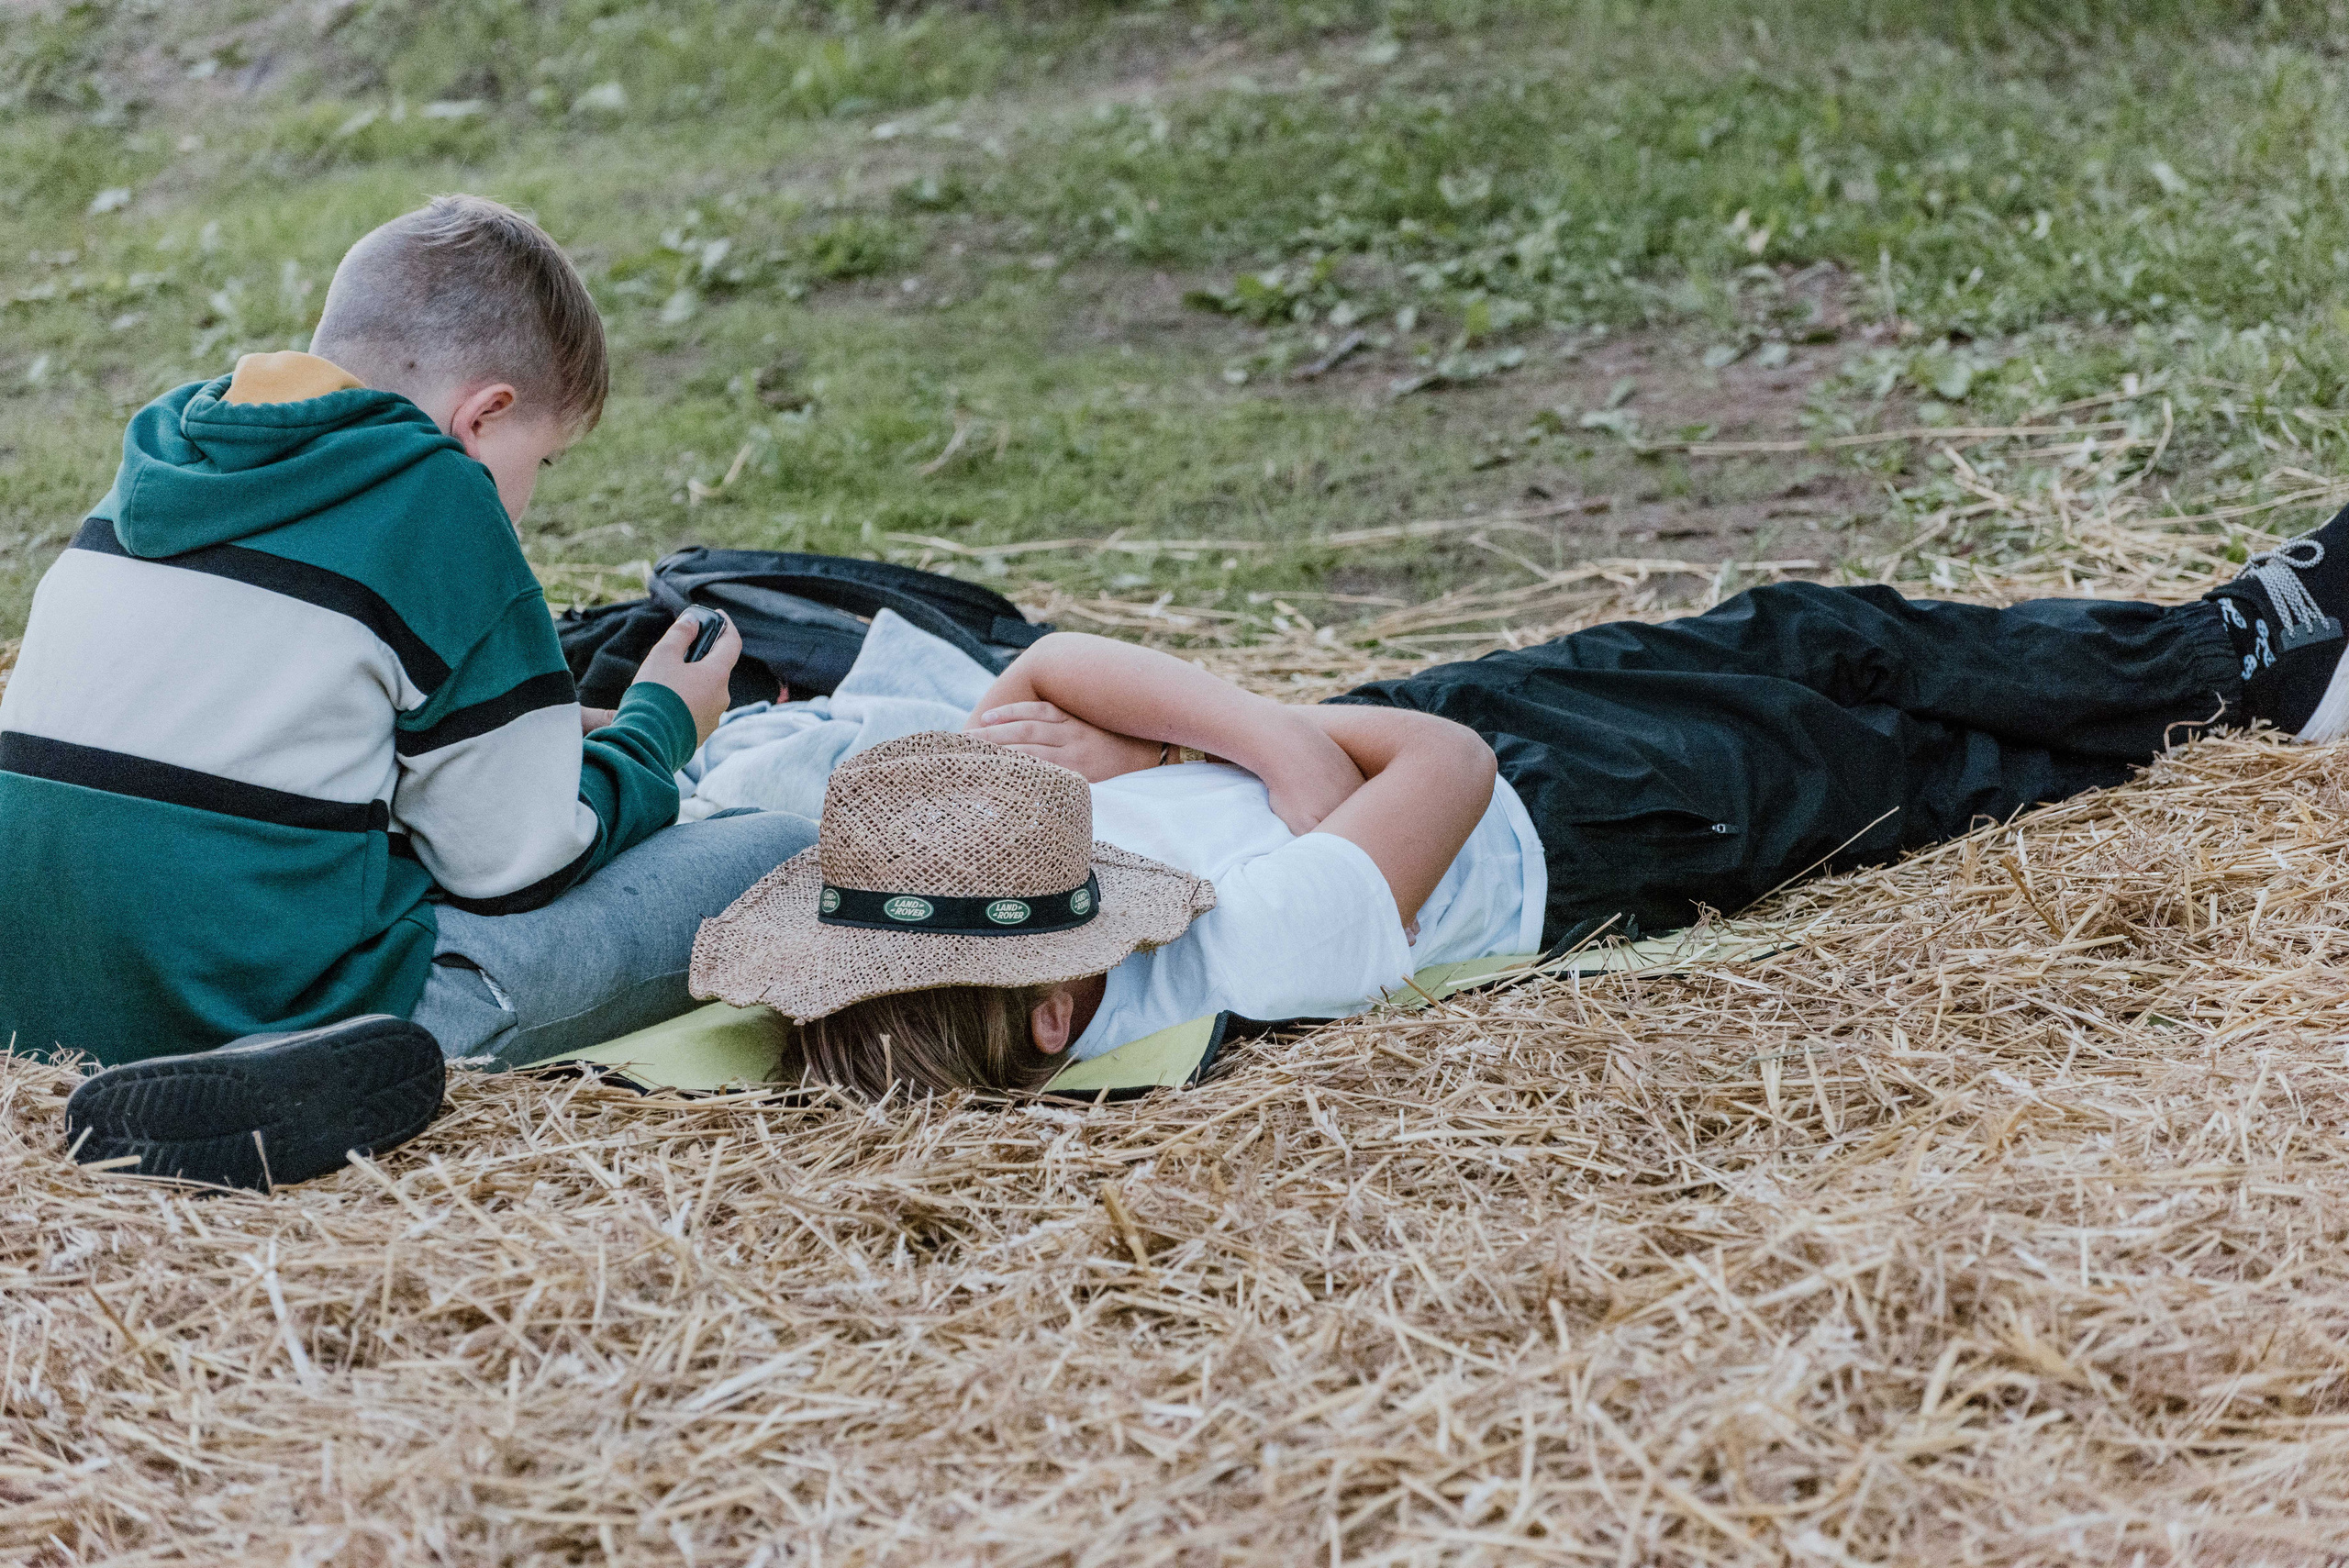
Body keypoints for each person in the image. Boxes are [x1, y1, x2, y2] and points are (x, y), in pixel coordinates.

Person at [690, 510, 2349, 1095]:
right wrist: (1236, 751)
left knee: (1807, 628)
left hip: (1473, 722)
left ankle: (2223, 646)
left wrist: (1216, 761)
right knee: (1900, 755)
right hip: (1596, 817)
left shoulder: (1004, 896)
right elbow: (1440, 771)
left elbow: (1043, 664)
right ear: (1058, 1006)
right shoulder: (1270, 947)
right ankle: (2244, 672)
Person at [3, 195, 818, 1180]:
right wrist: (656, 732)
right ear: (487, 414)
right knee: (777, 852)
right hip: (262, 1005)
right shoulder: (439, 497)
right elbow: (514, 868)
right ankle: (287, 1063)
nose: (528, 498)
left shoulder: (163, 460)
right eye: (542, 463)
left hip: (39, 999)